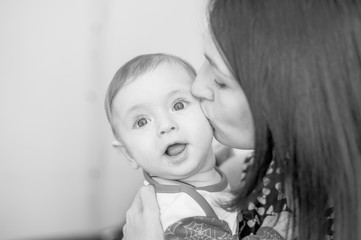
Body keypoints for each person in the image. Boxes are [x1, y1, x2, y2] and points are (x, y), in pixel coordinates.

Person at [122, 0, 361, 240]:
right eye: (206, 60)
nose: (197, 87)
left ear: (289, 96)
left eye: (221, 80)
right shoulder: (269, 161)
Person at [104, 53, 240, 239]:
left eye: (178, 106)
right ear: (128, 154)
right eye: (142, 121)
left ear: (206, 107)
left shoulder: (212, 171)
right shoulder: (182, 222)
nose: (165, 125)